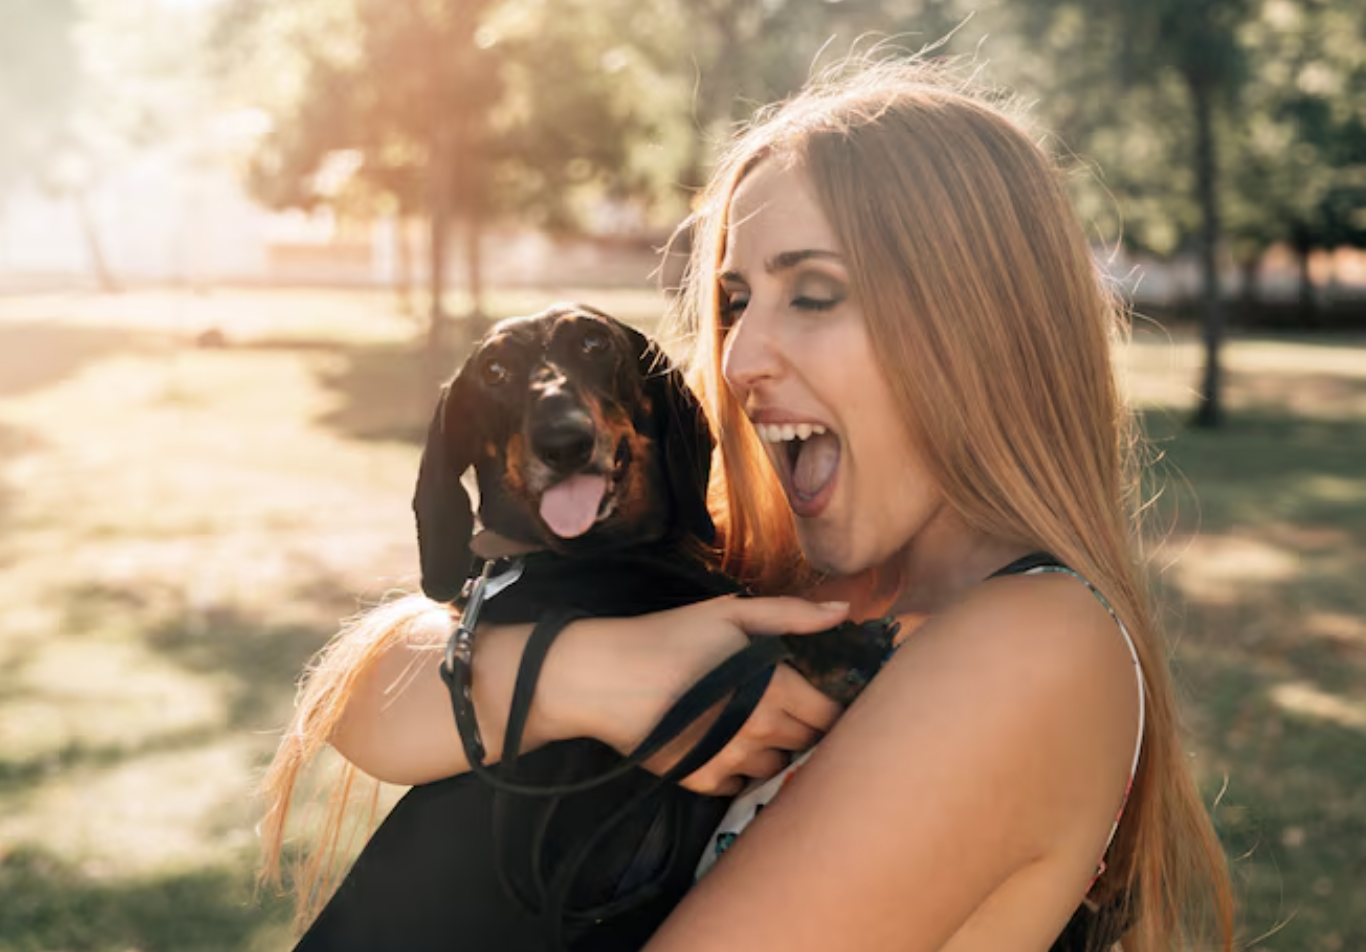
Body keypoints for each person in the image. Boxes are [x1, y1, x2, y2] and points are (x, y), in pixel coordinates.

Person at [260, 52, 1235, 952]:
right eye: (732, 302)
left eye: (811, 295)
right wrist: (590, 672)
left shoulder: (1030, 643)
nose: (736, 357)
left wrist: (554, 680)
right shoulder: (781, 580)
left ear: (975, 324)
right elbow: (366, 700)